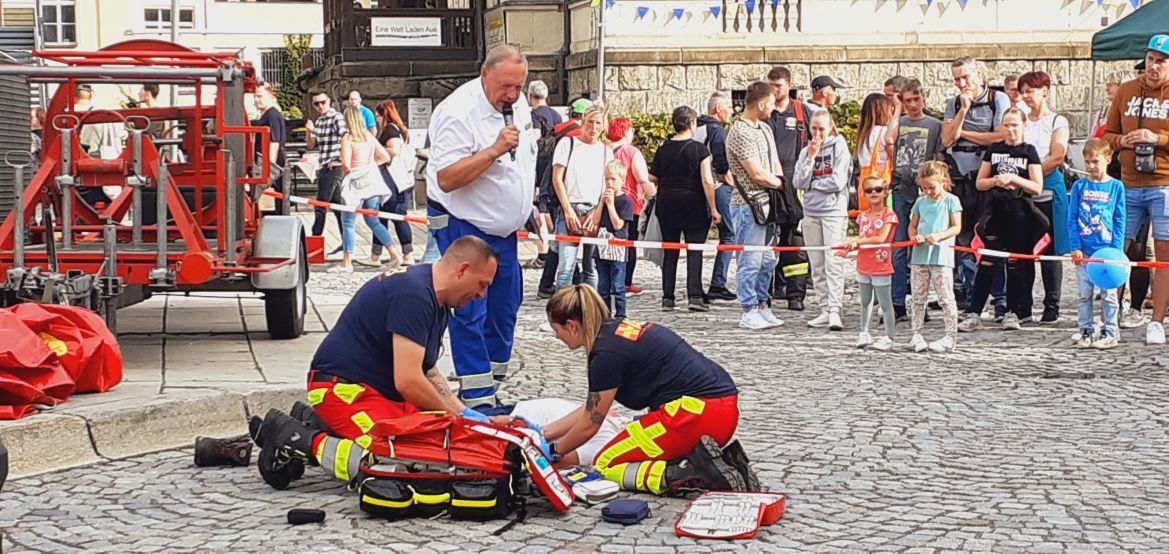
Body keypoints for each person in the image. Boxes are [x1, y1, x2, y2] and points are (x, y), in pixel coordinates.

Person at [251, 237, 507, 489]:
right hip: (345, 391)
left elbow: (427, 371)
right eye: (482, 284)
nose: (481, 295)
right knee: (397, 459)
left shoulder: (431, 295)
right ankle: (293, 437)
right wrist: (455, 419)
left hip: (370, 391)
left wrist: (465, 416)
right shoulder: (415, 295)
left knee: (432, 439)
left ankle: (314, 421)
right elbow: (408, 381)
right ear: (462, 270)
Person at [541, 285, 757, 495]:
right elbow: (592, 408)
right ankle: (722, 465)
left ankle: (694, 474)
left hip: (695, 415)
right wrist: (542, 434)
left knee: (605, 463)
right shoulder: (615, 333)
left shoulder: (604, 354)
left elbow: (590, 424)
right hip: (720, 408)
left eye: (556, 330)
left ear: (571, 326)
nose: (556, 337)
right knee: (637, 450)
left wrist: (551, 453)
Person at [426, 45, 537, 406]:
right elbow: (446, 178)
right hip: (465, 222)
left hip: (505, 231)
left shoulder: (516, 105)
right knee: (470, 307)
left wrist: (526, 208)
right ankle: (477, 399)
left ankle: (490, 388)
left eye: (519, 87)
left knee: (505, 307)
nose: (513, 95)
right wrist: (492, 151)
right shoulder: (457, 112)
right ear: (484, 74)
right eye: (506, 86)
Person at [1101, 35, 1169, 345]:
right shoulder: (1127, 90)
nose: (1154, 66)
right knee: (1118, 250)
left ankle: (1156, 321)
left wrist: (1158, 139)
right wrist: (1120, 142)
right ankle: (1111, 317)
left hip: (1164, 183)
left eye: (1162, 61)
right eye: (1151, 59)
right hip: (1127, 182)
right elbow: (1109, 134)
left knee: (1163, 254)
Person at [960, 108, 1046, 334]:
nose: (1010, 130)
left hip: (1019, 213)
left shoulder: (1029, 152)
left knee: (1016, 264)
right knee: (987, 262)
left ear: (1024, 126)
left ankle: (1013, 312)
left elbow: (1037, 187)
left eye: (1015, 125)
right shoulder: (994, 150)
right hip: (995, 211)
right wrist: (997, 181)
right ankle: (974, 312)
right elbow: (980, 182)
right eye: (1006, 125)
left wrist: (1016, 179)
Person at [942, 56, 1011, 310]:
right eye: (957, 78)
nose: (962, 83)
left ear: (979, 76)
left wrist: (965, 133)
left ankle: (1000, 298)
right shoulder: (953, 104)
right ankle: (971, 295)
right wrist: (963, 110)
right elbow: (948, 138)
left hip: (986, 178)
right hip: (959, 178)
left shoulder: (997, 100)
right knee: (963, 238)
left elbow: (1000, 136)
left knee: (991, 237)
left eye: (966, 77)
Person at [726, 81, 786, 330]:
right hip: (748, 204)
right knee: (750, 259)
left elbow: (773, 164)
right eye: (771, 103)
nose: (774, 108)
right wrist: (782, 185)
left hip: (768, 202)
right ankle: (748, 307)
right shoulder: (740, 132)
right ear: (761, 103)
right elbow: (756, 173)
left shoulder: (764, 128)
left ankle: (763, 303)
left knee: (768, 258)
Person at [650, 106, 720, 312]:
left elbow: (653, 176)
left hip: (667, 203)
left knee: (670, 249)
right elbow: (707, 180)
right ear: (692, 124)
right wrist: (714, 208)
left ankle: (668, 296)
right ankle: (695, 295)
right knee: (694, 249)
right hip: (694, 204)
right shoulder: (699, 150)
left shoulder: (663, 148)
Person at [890, 78, 945, 322]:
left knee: (922, 248)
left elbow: (940, 156)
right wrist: (896, 111)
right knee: (899, 246)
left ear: (924, 98)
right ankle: (897, 301)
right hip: (901, 189)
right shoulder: (898, 123)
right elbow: (888, 142)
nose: (912, 104)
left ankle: (920, 300)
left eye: (916, 99)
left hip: (925, 192)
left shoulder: (934, 125)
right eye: (907, 100)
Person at [1018, 70, 1070, 323]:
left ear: (1045, 90)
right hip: (1022, 191)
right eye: (1023, 91)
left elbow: (1057, 155)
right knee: (1024, 248)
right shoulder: (1020, 119)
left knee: (1050, 248)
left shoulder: (1057, 121)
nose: (1026, 96)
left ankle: (1052, 305)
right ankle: (1023, 305)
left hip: (1048, 188)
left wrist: (1033, 176)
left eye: (1031, 90)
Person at [794, 111, 851, 331]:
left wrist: (813, 185)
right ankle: (824, 308)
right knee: (817, 263)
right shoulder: (805, 151)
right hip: (811, 211)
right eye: (814, 128)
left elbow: (837, 181)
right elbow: (798, 181)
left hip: (833, 210)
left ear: (830, 128)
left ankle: (835, 309)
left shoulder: (839, 147)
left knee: (833, 261)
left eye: (822, 129)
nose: (818, 133)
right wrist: (810, 157)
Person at [1068, 139, 1127, 350]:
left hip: (1106, 253)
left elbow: (1120, 219)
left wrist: (1116, 251)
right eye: (1087, 162)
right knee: (1084, 295)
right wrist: (1075, 246)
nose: (1091, 166)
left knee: (1109, 295)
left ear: (1108, 160)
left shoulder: (1116, 187)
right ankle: (1086, 330)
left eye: (1095, 161)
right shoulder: (1079, 186)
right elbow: (1072, 217)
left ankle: (1110, 330)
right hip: (1084, 251)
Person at [765, 66, 813, 312]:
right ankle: (771, 289)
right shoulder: (764, 112)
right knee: (767, 241)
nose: (775, 90)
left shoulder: (802, 112)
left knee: (794, 242)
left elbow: (817, 143)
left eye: (779, 85)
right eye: (771, 85)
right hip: (767, 184)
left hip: (795, 186)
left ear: (789, 85)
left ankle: (796, 294)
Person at [331, 107, 401, 274]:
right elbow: (385, 156)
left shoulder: (348, 138)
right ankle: (394, 253)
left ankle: (347, 262)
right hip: (372, 180)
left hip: (355, 181)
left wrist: (348, 171)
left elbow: (347, 163)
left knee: (348, 222)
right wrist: (371, 166)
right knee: (373, 220)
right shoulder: (369, 136)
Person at [552, 104, 612, 291]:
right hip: (570, 206)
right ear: (583, 122)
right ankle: (560, 311)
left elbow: (608, 185)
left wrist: (597, 212)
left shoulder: (605, 151)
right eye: (590, 122)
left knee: (591, 268)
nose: (593, 128)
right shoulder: (567, 144)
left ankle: (591, 311)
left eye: (598, 123)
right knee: (566, 268)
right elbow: (557, 178)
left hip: (594, 208)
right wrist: (568, 210)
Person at [908, 161, 963, 353]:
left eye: (932, 187)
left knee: (946, 297)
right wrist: (914, 236)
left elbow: (957, 227)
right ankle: (916, 333)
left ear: (942, 181)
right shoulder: (920, 202)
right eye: (924, 188)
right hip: (920, 256)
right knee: (918, 297)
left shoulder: (951, 201)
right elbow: (913, 225)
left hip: (941, 256)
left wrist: (939, 236)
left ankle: (950, 336)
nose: (928, 192)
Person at [536, 99, 587, 299]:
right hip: (565, 197)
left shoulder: (557, 131)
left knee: (560, 244)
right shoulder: (574, 137)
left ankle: (549, 283)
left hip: (552, 195)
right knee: (564, 247)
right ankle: (566, 288)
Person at [839, 176, 898, 351]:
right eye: (869, 190)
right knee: (865, 301)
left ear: (885, 192)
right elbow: (863, 240)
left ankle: (889, 336)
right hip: (863, 265)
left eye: (878, 189)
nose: (873, 193)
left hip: (880, 266)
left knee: (885, 303)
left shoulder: (889, 215)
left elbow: (880, 238)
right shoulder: (863, 216)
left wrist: (856, 241)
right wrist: (849, 249)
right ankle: (864, 331)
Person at [607, 117, 655, 296]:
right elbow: (643, 179)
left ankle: (609, 280)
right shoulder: (631, 152)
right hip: (630, 203)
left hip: (608, 200)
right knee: (629, 243)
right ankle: (625, 282)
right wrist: (654, 197)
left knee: (610, 242)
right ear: (627, 131)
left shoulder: (604, 150)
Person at [364, 100, 415, 267]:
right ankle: (376, 255)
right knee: (382, 216)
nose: (377, 120)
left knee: (396, 216)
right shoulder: (401, 129)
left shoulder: (390, 130)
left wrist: (377, 151)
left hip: (394, 181)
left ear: (383, 115)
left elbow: (394, 151)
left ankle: (407, 253)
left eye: (377, 116)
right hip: (399, 180)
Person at [697, 92, 737, 301]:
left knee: (697, 239)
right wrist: (732, 182)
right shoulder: (717, 131)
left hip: (696, 188)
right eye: (728, 108)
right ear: (717, 110)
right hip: (717, 186)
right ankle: (718, 283)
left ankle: (694, 287)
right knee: (729, 235)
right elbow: (722, 164)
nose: (731, 111)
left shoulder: (695, 127)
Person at [305, 91, 348, 240]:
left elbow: (346, 137)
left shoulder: (336, 118)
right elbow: (311, 144)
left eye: (323, 102)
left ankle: (315, 237)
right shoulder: (319, 121)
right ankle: (346, 240)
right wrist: (309, 132)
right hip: (325, 165)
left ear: (329, 101)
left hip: (334, 166)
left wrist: (342, 160)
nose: (320, 106)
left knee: (320, 204)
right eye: (316, 104)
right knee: (337, 206)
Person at [595, 160, 634, 318]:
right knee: (603, 286)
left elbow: (618, 225)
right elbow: (595, 221)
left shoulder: (625, 201)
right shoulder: (603, 197)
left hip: (617, 246)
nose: (609, 183)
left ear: (621, 180)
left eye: (613, 179)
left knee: (618, 286)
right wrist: (601, 204)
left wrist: (610, 205)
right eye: (607, 179)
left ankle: (620, 316)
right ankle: (605, 315)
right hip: (602, 245)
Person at [855, 92, 899, 211]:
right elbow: (895, 157)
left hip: (865, 186)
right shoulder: (882, 131)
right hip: (881, 185)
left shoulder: (863, 134)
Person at [252, 83, 287, 201]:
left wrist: (269, 171)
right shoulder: (267, 114)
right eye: (255, 96)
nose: (256, 100)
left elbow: (274, 143)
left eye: (260, 96)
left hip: (272, 164)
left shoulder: (272, 115)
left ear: (270, 96)